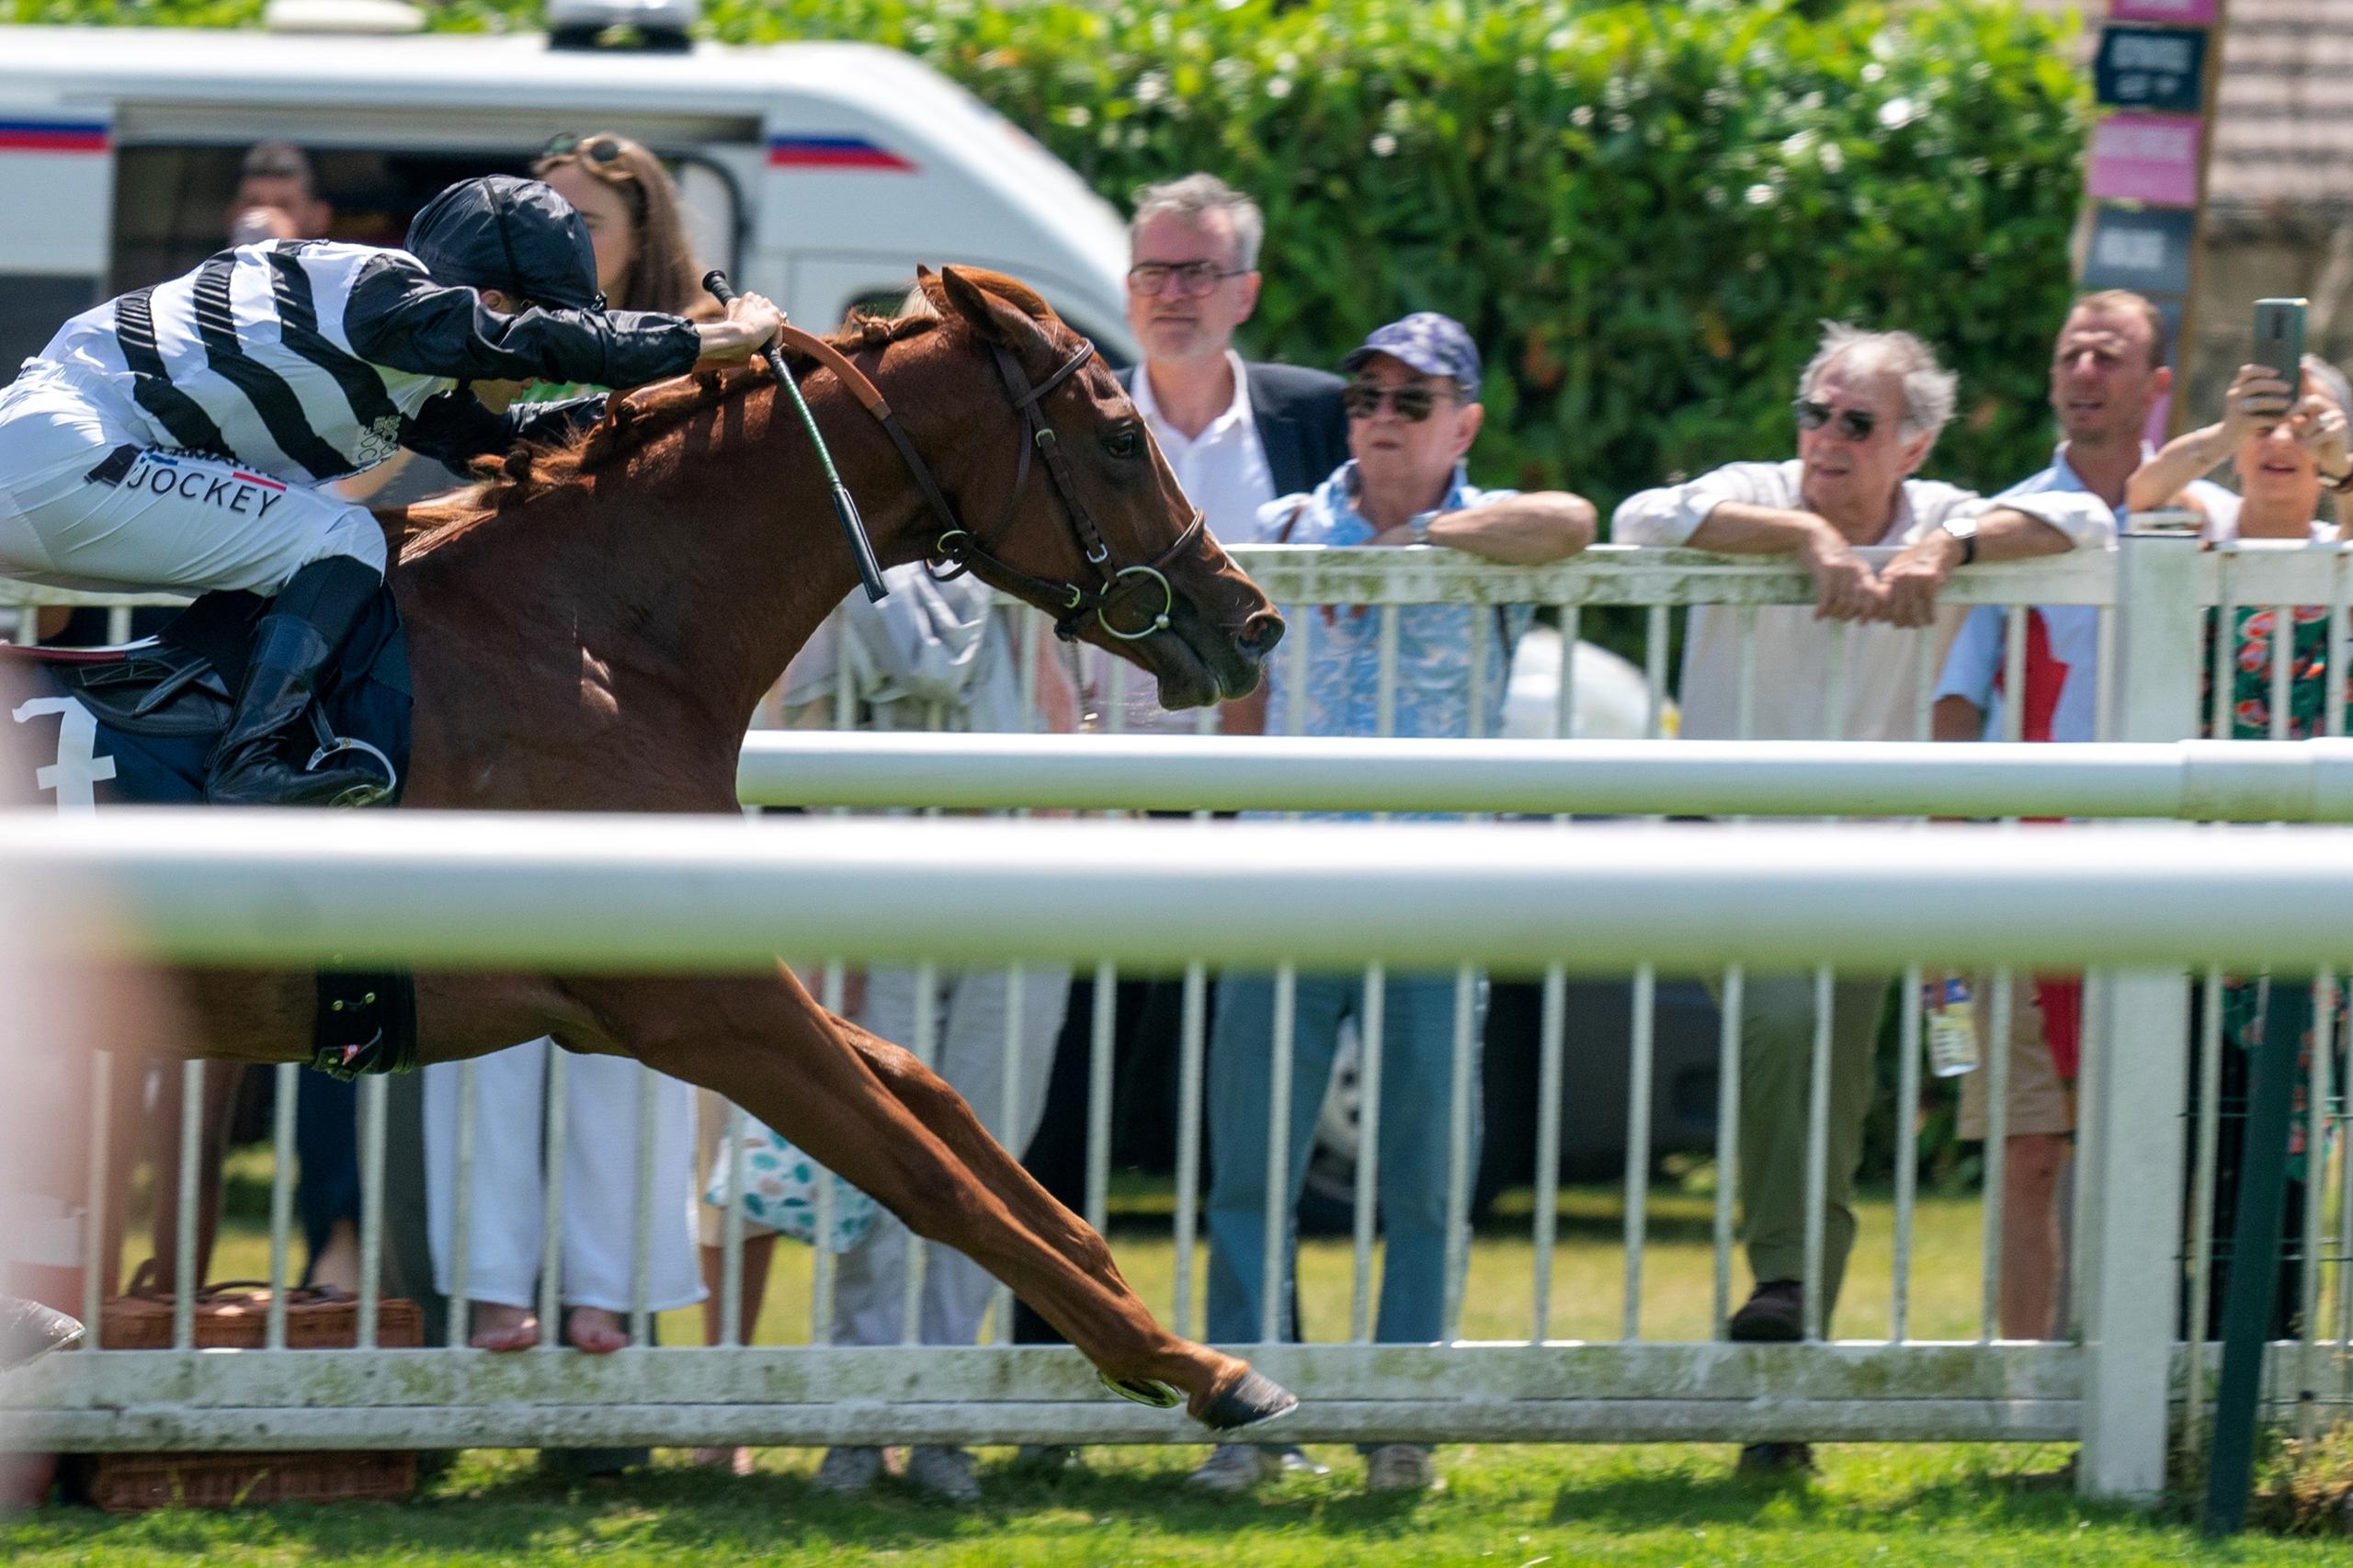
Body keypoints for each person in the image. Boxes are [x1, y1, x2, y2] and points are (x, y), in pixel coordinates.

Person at [1613, 322, 2115, 1474]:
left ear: (1915, 443)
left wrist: (1948, 552)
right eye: (1813, 411)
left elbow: (2087, 519)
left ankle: (1777, 1402)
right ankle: (1786, 1294)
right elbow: (1640, 515)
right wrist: (1798, 535)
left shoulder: (1941, 513)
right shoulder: (1757, 490)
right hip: (1729, 856)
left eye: (1855, 423)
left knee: (1829, 1126)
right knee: (1784, 1021)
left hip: (1869, 875)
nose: (1824, 439)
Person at [0, 171, 783, 806]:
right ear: (492, 300)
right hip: (65, 456)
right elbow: (532, 344)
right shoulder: (387, 296)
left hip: (55, 459)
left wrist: (680, 407)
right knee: (337, 537)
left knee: (305, 543)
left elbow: (505, 443)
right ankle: (253, 759)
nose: (530, 367)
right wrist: (713, 341)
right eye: (546, 318)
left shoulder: (400, 354)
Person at [1193, 312, 1594, 1496]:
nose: (1380, 418)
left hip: (1434, 897)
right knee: (1248, 1172)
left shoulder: (1497, 533)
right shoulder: (1279, 529)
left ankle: (1402, 1420)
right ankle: (1252, 1423)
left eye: (1413, 402)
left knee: (1423, 1175)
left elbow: (1576, 521)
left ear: (1463, 422)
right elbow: (1240, 711)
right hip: (1286, 889)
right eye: (1367, 396)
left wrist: (1431, 534)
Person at [1013, 172, 1349, 1451]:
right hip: (1097, 810)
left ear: (1246, 292)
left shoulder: (1318, 417)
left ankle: (1270, 1398)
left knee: (1254, 1123)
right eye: (1152, 269)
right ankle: (1042, 1396)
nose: (1169, 294)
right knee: (1065, 1111)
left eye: (1196, 271)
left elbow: (1431, 510)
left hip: (1256, 819)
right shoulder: (1076, 412)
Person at [421, 140, 729, 1375]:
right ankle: (495, 1289)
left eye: (576, 222)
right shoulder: (475, 339)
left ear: (638, 233)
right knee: (475, 1004)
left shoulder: (692, 369)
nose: (540, 246)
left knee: (634, 1019)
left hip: (626, 731)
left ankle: (610, 1293)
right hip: (484, 723)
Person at [697, 553, 1080, 1503]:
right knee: (880, 1160)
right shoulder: (846, 566)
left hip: (1017, 902)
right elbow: (799, 743)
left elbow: (1088, 736)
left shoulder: (1051, 567)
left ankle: (942, 1420)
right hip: (872, 901)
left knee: (991, 1162)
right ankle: (856, 1420)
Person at [1931, 291, 2234, 1341]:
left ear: (2156, 387)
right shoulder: (1993, 525)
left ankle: (2126, 1382)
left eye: (2109, 355)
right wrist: (1945, 869)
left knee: (2147, 1140)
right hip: (2027, 879)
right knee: (2029, 1144)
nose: (2083, 371)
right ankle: (2022, 1396)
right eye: (2070, 353)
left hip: (2170, 882)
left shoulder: (2217, 524)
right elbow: (1956, 705)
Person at [2131, 352, 2353, 1343]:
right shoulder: (2201, 537)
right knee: (2186, 1138)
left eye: (2304, 422)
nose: (2281, 441)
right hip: (2197, 892)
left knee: (2295, 1140)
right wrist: (2218, 431)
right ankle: (2173, 1371)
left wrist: (2344, 461)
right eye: (2265, 419)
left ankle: (2265, 1366)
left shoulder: (2340, 550)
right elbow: (2141, 494)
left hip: (2319, 899)